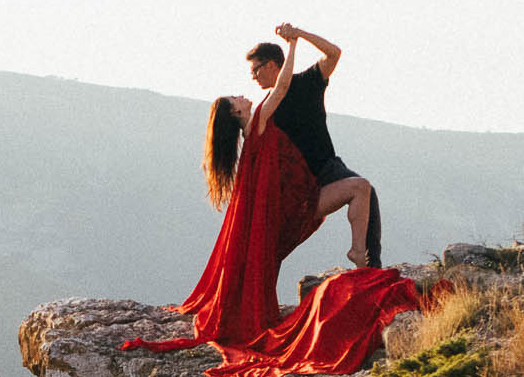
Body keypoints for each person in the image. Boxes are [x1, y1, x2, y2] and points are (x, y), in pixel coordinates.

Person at [121, 32, 320, 354]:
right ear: (237, 113)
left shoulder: (252, 129)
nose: (243, 95)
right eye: (236, 98)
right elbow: (282, 87)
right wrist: (294, 45)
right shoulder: (257, 120)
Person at [247, 23, 382, 268]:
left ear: (270, 65)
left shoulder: (308, 81)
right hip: (299, 185)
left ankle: (370, 265)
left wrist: (299, 35)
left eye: (255, 70)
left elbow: (334, 53)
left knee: (367, 193)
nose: (253, 76)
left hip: (327, 167)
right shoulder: (268, 106)